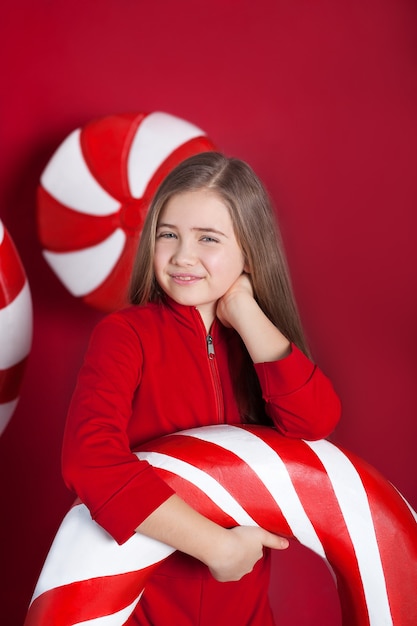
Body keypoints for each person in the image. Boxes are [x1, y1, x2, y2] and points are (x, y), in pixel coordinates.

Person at [62, 151, 341, 625]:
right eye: (168, 234)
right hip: (142, 600)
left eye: (207, 239)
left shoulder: (254, 343)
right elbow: (89, 458)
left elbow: (315, 422)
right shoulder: (126, 335)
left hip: (245, 609)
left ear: (250, 251)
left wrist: (247, 313)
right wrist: (215, 545)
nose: (182, 256)